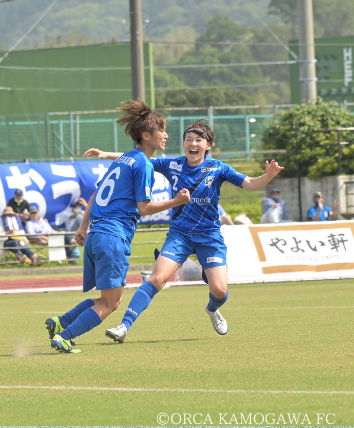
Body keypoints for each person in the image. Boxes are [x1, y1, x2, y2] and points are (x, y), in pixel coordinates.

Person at [83, 120, 284, 343]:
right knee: (157, 278)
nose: (193, 143)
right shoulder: (172, 164)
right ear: (184, 144)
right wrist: (105, 154)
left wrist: (268, 176)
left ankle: (212, 310)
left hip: (209, 236)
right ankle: (124, 326)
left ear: (208, 146)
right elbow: (137, 159)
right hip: (179, 235)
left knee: (219, 290)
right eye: (188, 139)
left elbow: (251, 184)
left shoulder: (219, 168)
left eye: (199, 140)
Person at [45, 99, 190, 354]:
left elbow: (94, 195)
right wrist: (176, 201)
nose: (166, 135)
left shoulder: (123, 160)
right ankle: (65, 337)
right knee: (111, 304)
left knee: (106, 299)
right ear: (146, 135)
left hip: (96, 235)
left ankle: (62, 322)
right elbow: (144, 208)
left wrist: (82, 227)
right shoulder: (143, 163)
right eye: (162, 130)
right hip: (113, 236)